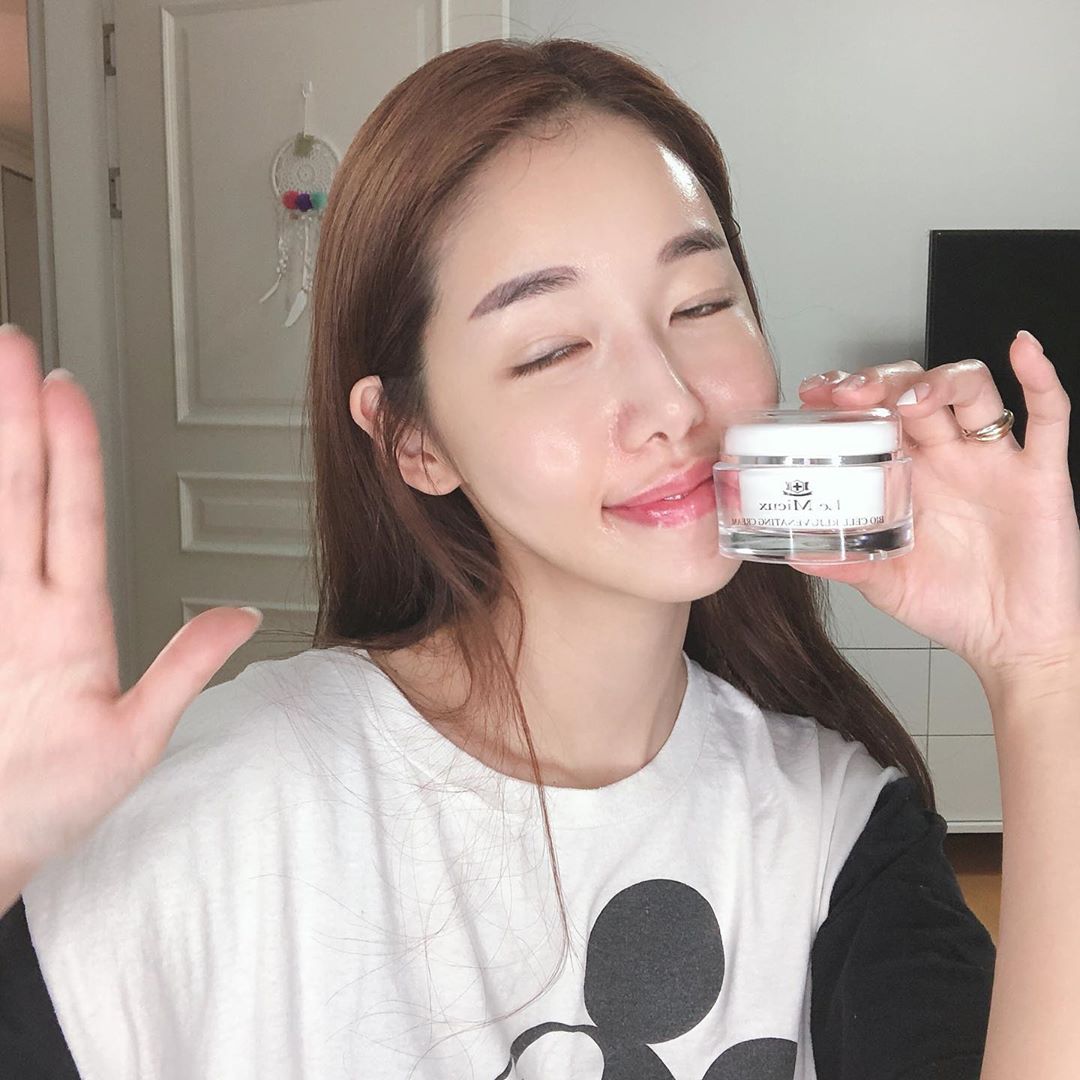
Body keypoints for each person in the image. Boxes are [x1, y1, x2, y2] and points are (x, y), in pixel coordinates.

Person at [0, 34, 1076, 1080]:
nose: (670, 402)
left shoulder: (837, 828)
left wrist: (1042, 669)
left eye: (701, 304)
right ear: (413, 439)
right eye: (554, 347)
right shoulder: (228, 807)